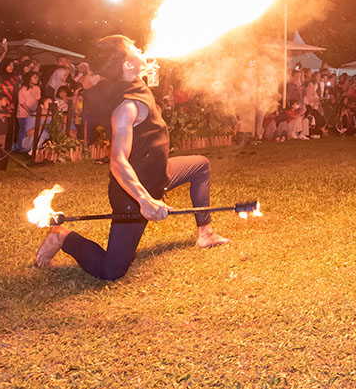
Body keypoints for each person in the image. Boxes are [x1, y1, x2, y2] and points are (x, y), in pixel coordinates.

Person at [35, 35, 229, 280]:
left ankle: (206, 233)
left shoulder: (128, 78)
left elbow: (95, 74)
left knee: (200, 166)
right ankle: (62, 236)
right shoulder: (126, 108)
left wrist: (84, 71)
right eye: (134, 49)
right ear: (127, 65)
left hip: (159, 173)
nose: (141, 49)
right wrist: (144, 200)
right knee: (111, 270)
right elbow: (117, 160)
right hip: (134, 192)